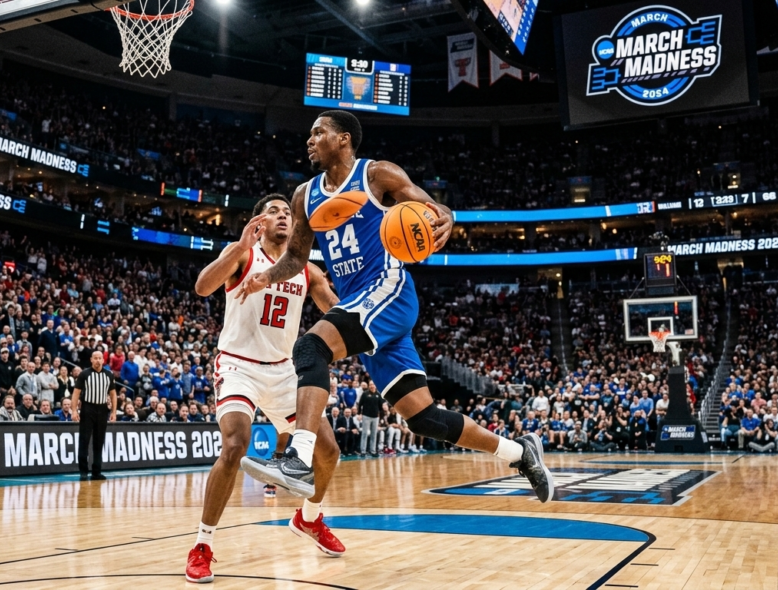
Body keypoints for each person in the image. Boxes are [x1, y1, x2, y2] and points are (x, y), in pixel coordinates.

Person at [237, 111, 553, 503]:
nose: (310, 140)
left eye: (319, 133)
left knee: (310, 347)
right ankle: (521, 452)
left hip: (387, 290)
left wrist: (448, 215)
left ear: (344, 140)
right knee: (423, 417)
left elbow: (433, 208)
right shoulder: (305, 194)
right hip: (359, 304)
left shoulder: (377, 175)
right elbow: (298, 258)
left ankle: (297, 457)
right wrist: (266, 278)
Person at [186, 195, 344, 584]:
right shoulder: (243, 255)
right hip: (238, 365)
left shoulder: (305, 268)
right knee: (236, 443)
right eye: (274, 211)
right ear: (259, 221)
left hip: (283, 371)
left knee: (329, 452)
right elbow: (203, 287)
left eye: (288, 213)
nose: (283, 217)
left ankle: (308, 519)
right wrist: (236, 249)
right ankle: (202, 545)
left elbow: (337, 311)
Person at [73, 350, 117, 480]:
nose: (98, 360)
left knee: (99, 442)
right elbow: (76, 393)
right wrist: (74, 410)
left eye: (100, 358)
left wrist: (113, 412)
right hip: (88, 408)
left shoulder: (109, 375)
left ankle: (96, 471)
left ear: (103, 360)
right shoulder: (84, 374)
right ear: (91, 360)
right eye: (95, 358)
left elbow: (113, 394)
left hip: (102, 409)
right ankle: (83, 471)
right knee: (84, 441)